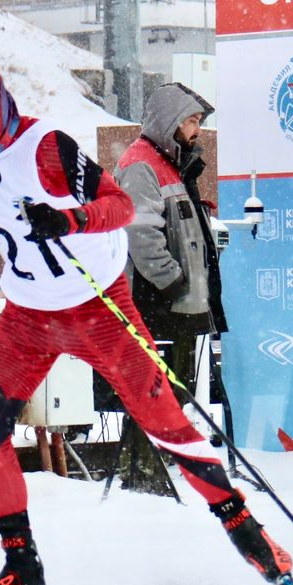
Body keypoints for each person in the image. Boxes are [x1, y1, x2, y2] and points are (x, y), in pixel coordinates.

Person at [0, 56, 292, 585]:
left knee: (166, 425)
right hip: (27, 317)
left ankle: (251, 536)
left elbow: (121, 204)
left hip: (98, 307)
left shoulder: (43, 148)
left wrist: (67, 220)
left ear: (0, 110)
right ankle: (21, 568)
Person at [116, 82, 228, 392]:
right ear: (170, 120)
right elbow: (141, 233)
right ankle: (150, 444)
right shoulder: (142, 164)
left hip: (175, 306)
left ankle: (165, 442)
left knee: (173, 403)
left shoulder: (169, 163)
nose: (197, 130)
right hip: (159, 307)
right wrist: (173, 281)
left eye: (199, 122)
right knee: (158, 404)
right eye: (191, 120)